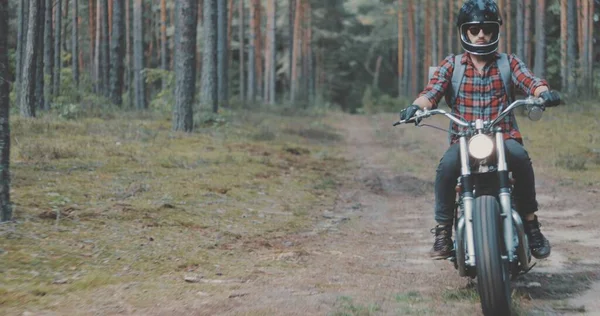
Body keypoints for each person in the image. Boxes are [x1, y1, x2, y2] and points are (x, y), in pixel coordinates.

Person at [399, 0, 560, 260]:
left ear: (496, 31)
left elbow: (530, 81)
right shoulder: (452, 65)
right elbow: (432, 92)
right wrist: (416, 107)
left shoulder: (508, 62)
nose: (481, 34)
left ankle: (531, 225)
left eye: (487, 29)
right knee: (446, 168)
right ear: (465, 31)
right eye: (475, 29)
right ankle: (442, 232)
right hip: (463, 141)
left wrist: (543, 93)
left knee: (520, 157)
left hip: (503, 137)